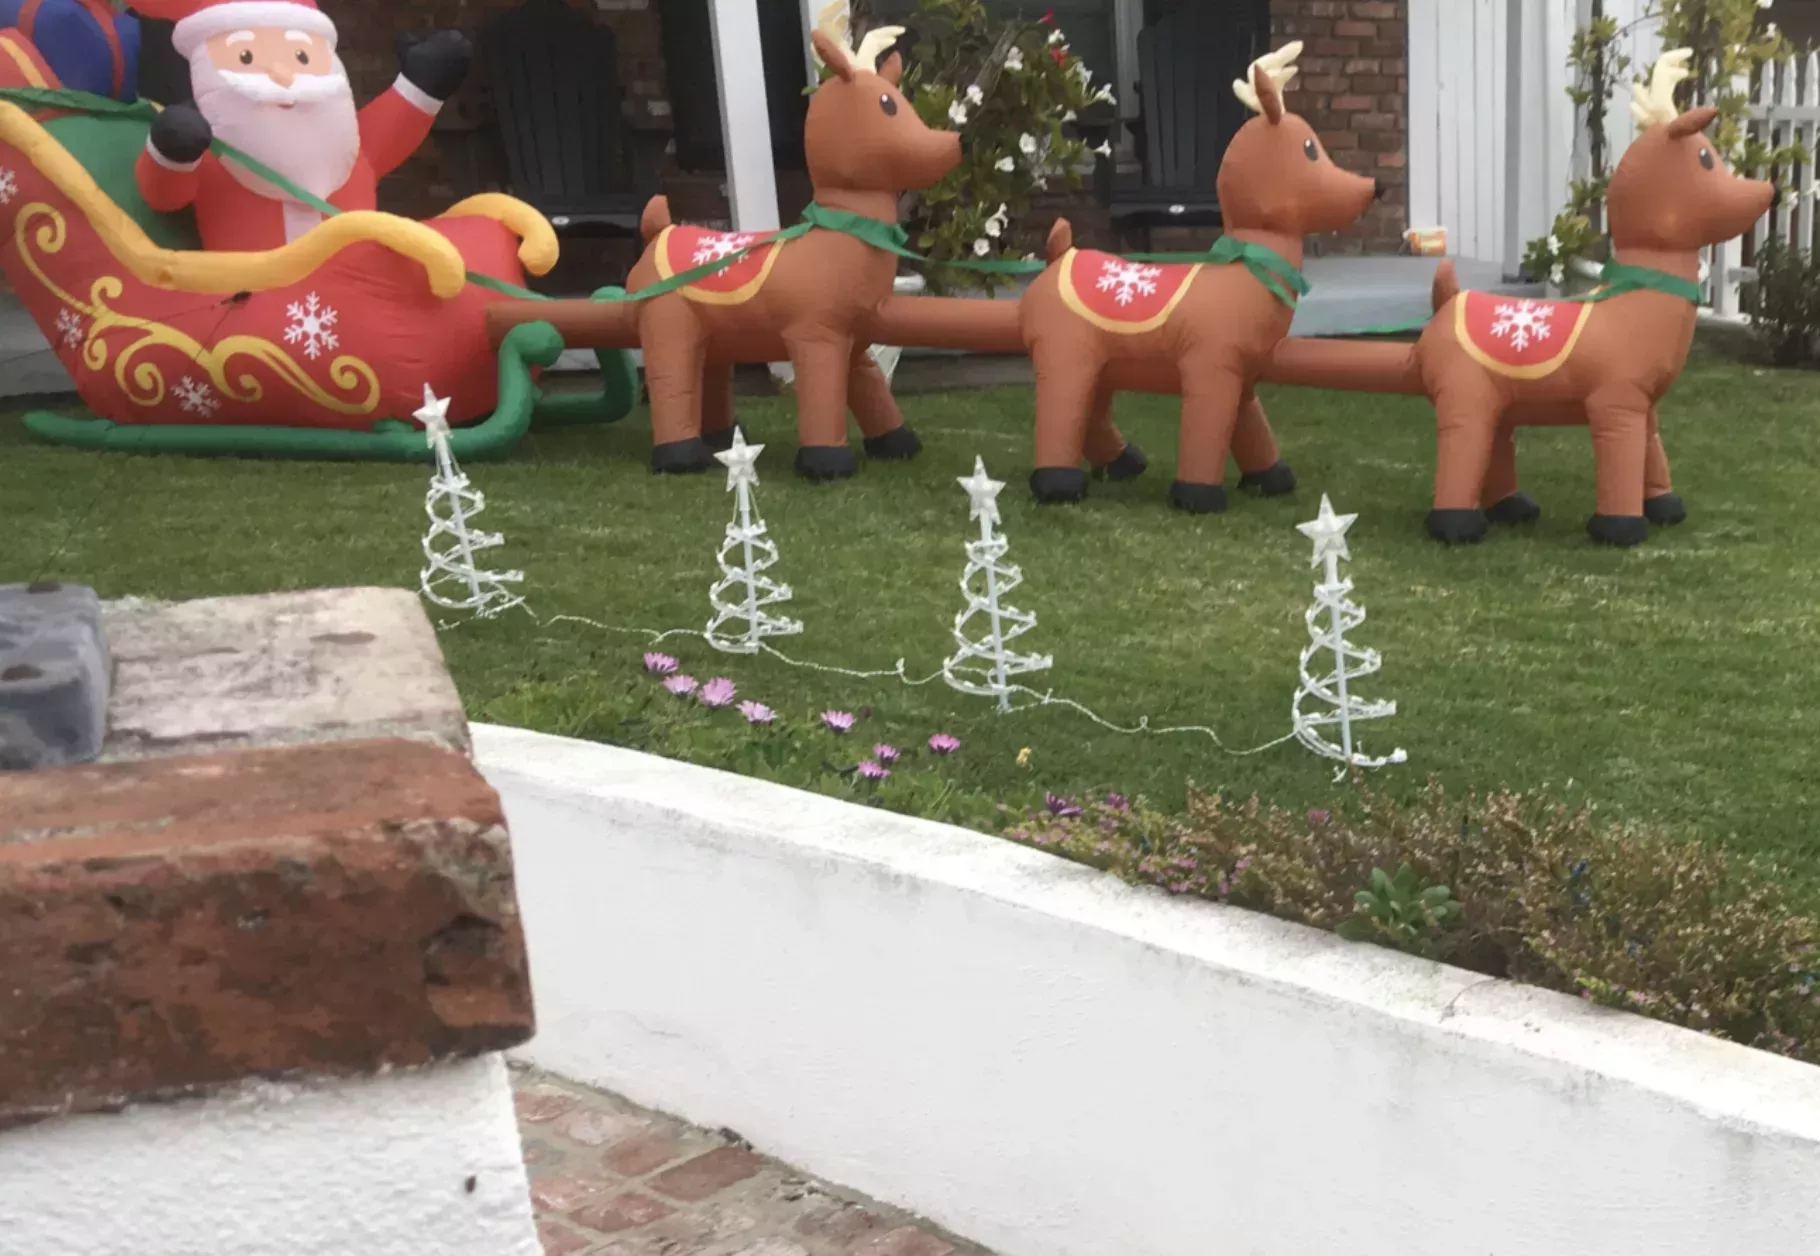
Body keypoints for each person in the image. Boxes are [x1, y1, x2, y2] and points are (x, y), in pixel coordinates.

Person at [132, 0, 470, 251]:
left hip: (357, 297)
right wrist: (171, 150)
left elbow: (386, 136)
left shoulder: (346, 151)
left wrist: (421, 86)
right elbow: (164, 196)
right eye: (246, 57)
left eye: (302, 57)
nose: (282, 74)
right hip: (251, 304)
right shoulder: (214, 158)